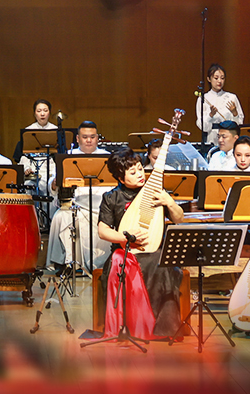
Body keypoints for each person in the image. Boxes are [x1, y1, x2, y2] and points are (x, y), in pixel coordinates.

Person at [94, 149, 187, 339]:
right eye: (133, 172)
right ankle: (135, 327)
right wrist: (124, 238)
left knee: (162, 265)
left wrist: (169, 202)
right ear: (120, 178)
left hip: (155, 251)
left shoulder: (156, 193)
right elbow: (103, 230)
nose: (140, 174)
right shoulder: (112, 197)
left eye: (140, 169)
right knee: (135, 264)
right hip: (124, 253)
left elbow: (179, 219)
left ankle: (163, 329)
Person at [48, 121, 113, 270]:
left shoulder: (107, 157)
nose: (89, 140)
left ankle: (103, 265)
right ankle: (70, 264)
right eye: (85, 137)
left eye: (92, 137)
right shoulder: (68, 156)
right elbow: (53, 182)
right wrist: (55, 183)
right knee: (60, 216)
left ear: (97, 138)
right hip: (77, 204)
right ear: (77, 139)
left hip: (101, 205)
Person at [195, 64, 245, 146]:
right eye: (216, 78)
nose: (219, 81)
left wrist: (235, 113)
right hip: (212, 138)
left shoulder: (231, 97)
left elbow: (239, 124)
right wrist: (211, 115)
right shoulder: (203, 99)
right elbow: (202, 126)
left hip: (229, 138)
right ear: (209, 79)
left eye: (222, 78)